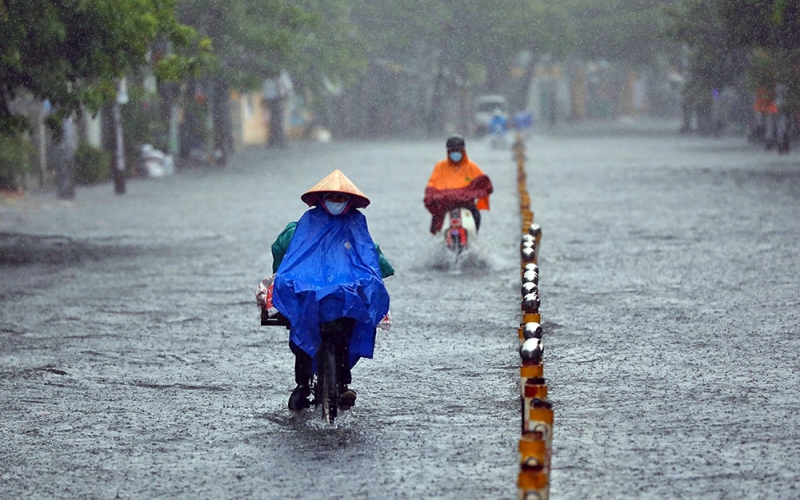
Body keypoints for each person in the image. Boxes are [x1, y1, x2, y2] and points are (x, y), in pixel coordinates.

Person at [270, 169, 394, 411]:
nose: (336, 203)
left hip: (341, 297)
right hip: (311, 294)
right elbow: (286, 259)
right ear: (321, 198)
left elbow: (370, 255)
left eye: (341, 198)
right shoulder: (302, 227)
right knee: (307, 327)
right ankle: (305, 384)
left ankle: (328, 381)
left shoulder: (356, 225)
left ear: (349, 202)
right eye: (332, 197)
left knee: (340, 330)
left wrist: (375, 279)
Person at [424, 134, 493, 235]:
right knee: (437, 222)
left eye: (458, 151)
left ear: (463, 151)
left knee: (476, 217)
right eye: (452, 151)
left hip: (467, 206)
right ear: (448, 152)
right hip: (446, 207)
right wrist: (431, 195)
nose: (455, 154)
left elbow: (482, 182)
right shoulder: (440, 166)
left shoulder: (471, 166)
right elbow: (432, 183)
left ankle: (473, 237)